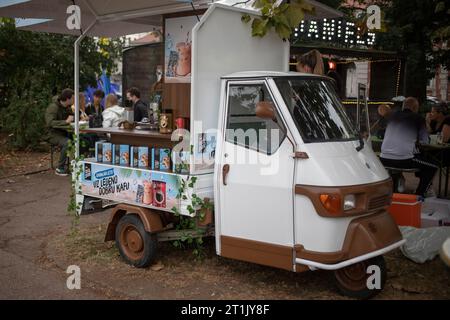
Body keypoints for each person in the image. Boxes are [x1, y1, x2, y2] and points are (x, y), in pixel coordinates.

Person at [380, 97, 438, 197]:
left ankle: (396, 187)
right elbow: (425, 141)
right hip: (404, 160)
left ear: (403, 106)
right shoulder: (418, 118)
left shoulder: (392, 117)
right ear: (415, 108)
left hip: (384, 158)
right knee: (433, 166)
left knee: (417, 159)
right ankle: (419, 194)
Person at [45, 89, 74, 176]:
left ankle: (77, 165)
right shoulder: (53, 107)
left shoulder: (67, 107)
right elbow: (50, 123)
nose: (74, 100)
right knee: (68, 143)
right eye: (73, 98)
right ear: (67, 99)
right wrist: (65, 122)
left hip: (64, 132)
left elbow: (71, 119)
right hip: (52, 134)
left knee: (82, 139)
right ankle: (60, 168)